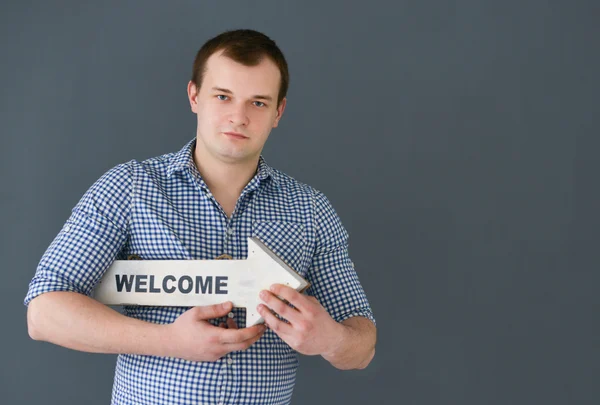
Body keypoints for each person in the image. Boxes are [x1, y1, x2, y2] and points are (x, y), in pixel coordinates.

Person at [25, 29, 376, 405]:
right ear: (194, 96)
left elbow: (363, 344)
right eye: (223, 96)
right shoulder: (129, 188)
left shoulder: (311, 210)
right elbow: (44, 312)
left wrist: (331, 340)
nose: (238, 117)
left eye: (258, 103)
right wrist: (168, 341)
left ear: (279, 112)